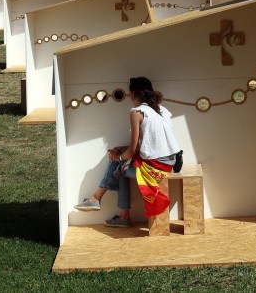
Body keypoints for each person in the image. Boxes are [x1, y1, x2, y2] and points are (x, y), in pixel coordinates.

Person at [74, 77, 181, 228]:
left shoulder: (137, 112)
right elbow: (145, 144)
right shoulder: (161, 110)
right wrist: (121, 151)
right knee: (120, 168)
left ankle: (98, 199)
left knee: (117, 165)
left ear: (133, 93)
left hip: (156, 167)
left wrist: (117, 157)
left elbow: (133, 150)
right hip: (169, 162)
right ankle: (106, 205)